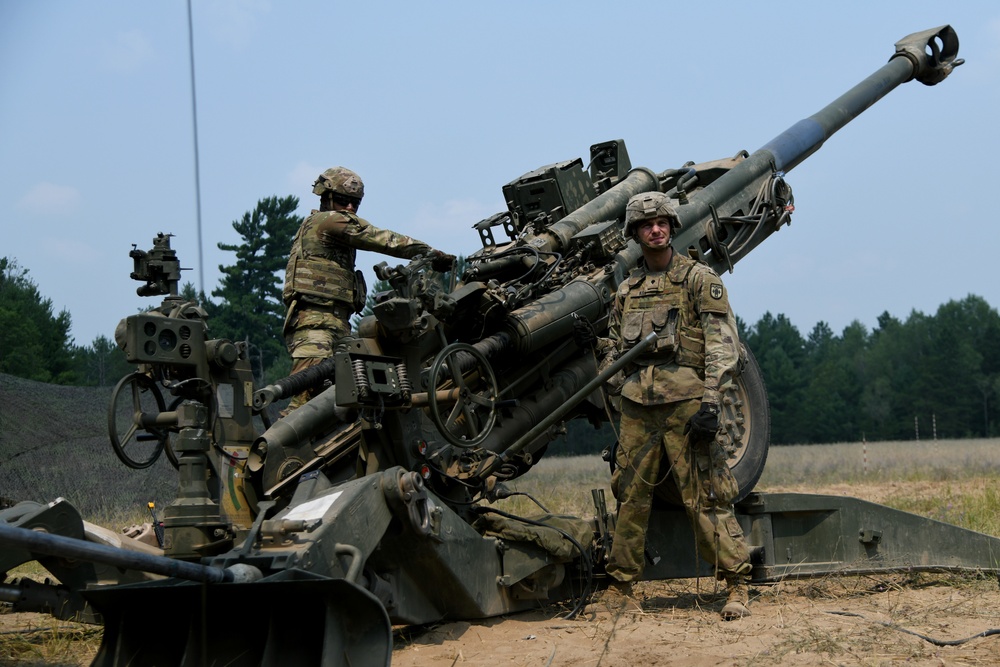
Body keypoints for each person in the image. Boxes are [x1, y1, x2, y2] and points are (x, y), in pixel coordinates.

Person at [597, 191, 752, 620]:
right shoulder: (626, 291)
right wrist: (616, 389)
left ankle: (737, 583)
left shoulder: (699, 280)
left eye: (663, 221)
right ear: (635, 234)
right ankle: (621, 588)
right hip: (638, 408)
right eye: (646, 224)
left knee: (706, 495)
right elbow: (612, 350)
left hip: (688, 407)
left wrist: (710, 401)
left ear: (673, 226)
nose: (656, 228)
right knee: (629, 497)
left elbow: (723, 343)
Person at [282, 166, 455, 411]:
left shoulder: (331, 222)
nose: (350, 208)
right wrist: (427, 252)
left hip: (337, 323)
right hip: (313, 323)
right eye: (343, 201)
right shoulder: (327, 221)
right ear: (325, 198)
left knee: (347, 397)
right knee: (304, 401)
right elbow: (377, 237)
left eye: (355, 203)